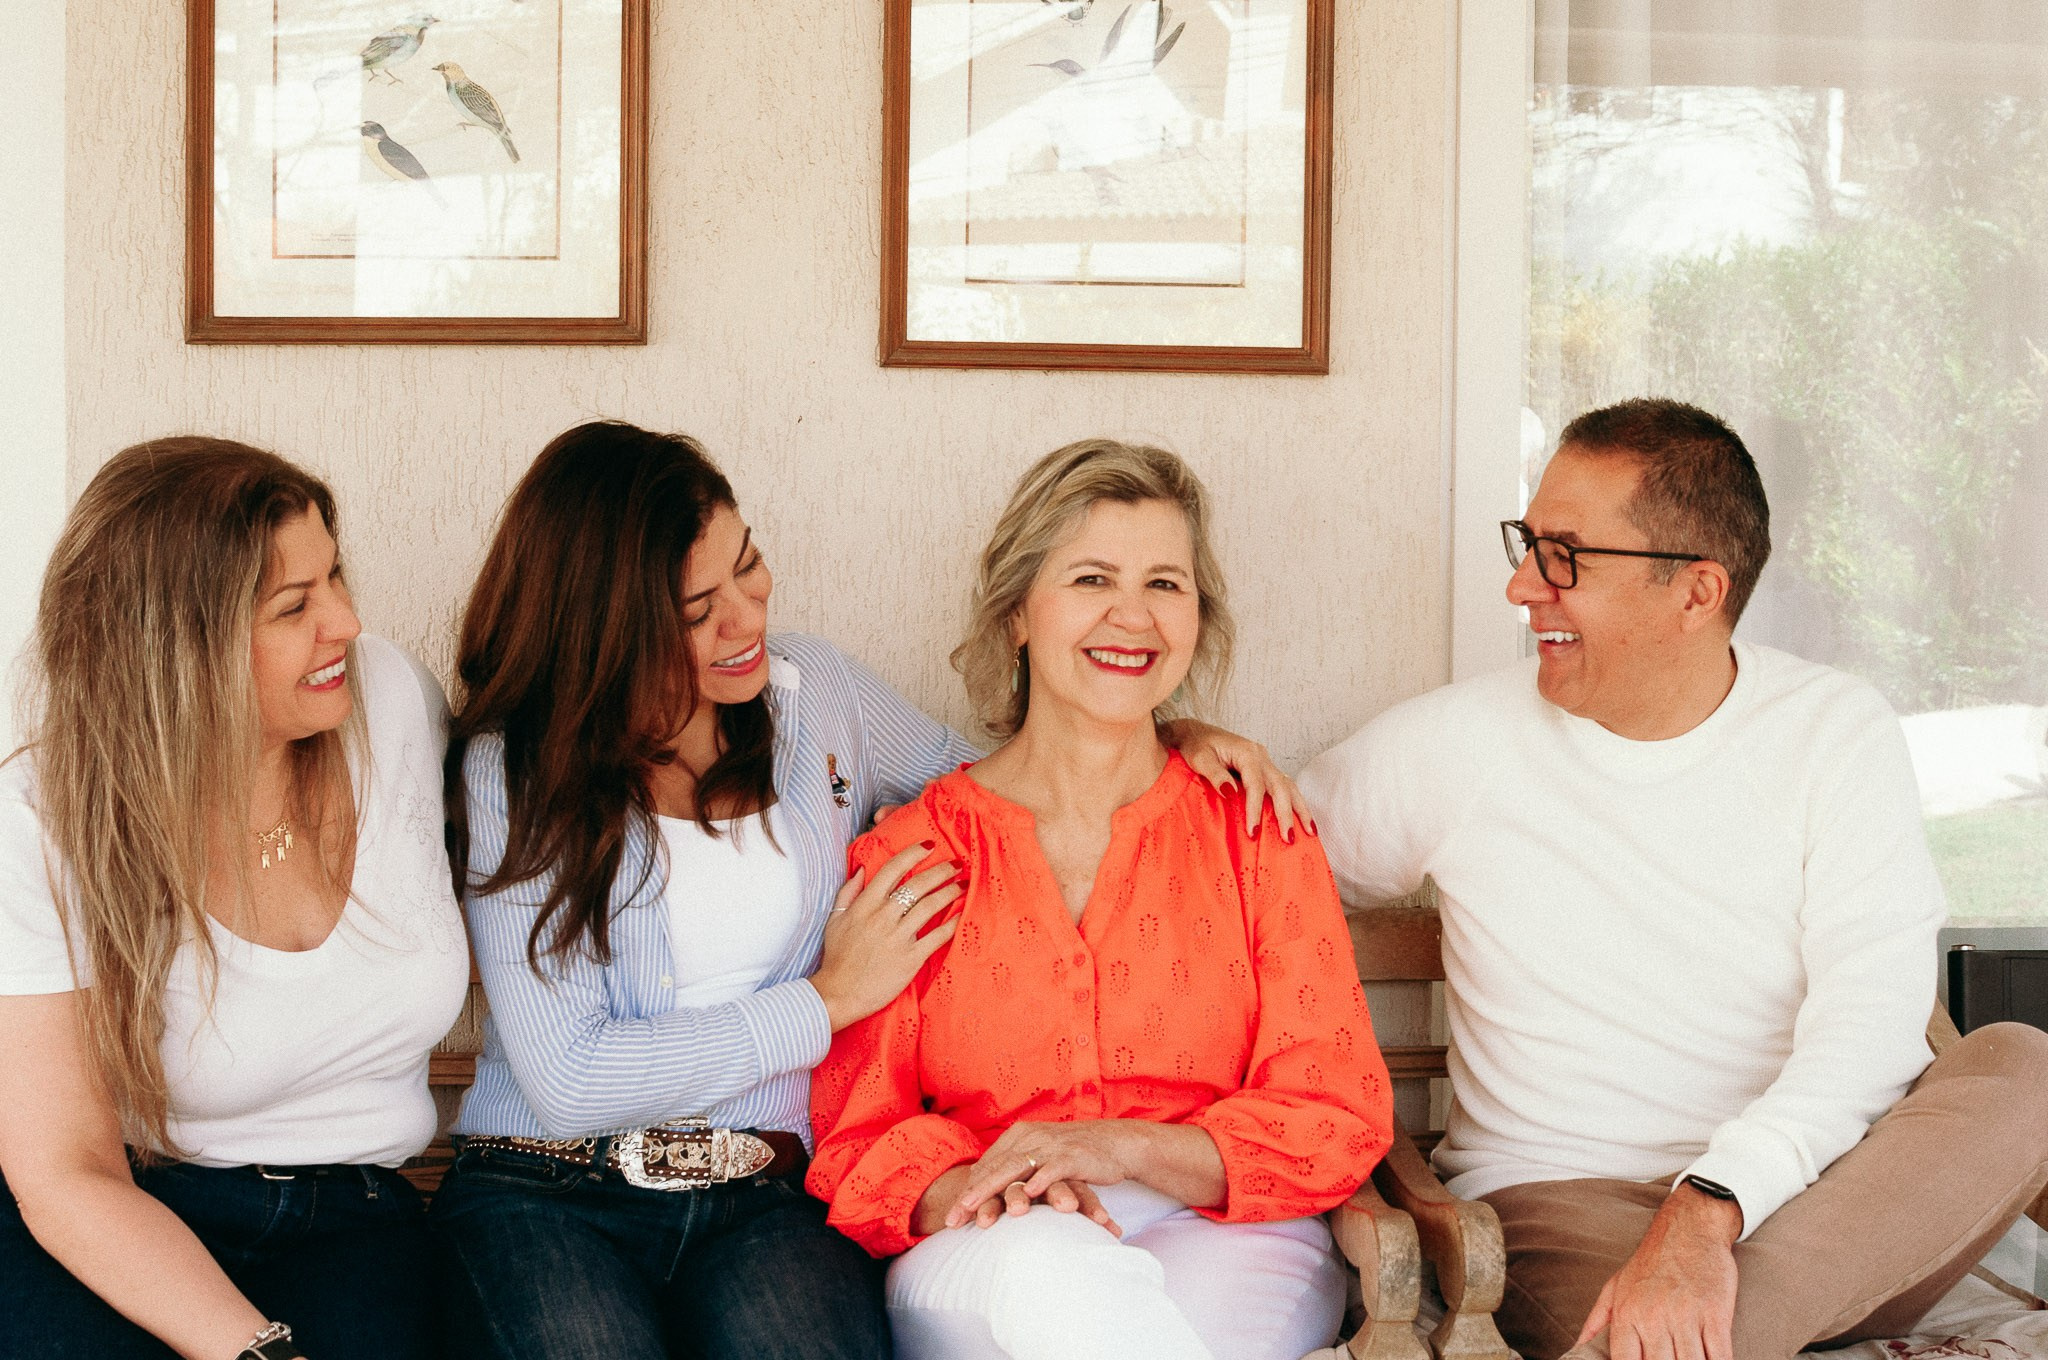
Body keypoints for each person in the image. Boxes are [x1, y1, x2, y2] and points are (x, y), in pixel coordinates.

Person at [429, 421, 1302, 1360]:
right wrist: (826, 1001)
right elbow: (568, 1080)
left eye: (749, 565)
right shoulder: (517, 773)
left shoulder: (818, 698)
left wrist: (1169, 736)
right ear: (606, 627)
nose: (746, 616)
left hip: (761, 1196)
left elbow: (1008, 784)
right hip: (547, 1192)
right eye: (695, 609)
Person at [1300, 398, 2048, 1360]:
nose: (1523, 587)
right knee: (1655, 1322)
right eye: (1527, 544)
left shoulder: (1833, 731)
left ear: (1697, 592)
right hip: (1563, 1213)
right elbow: (1227, 868)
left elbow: (1873, 1021)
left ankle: (1703, 1332)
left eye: (1564, 554)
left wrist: (1710, 1210)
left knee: (2023, 1066)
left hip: (1825, 1208)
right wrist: (1190, 740)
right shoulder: (1452, 746)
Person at [807, 437, 1394, 1360]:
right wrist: (984, 1186)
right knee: (1055, 1275)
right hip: (992, 1236)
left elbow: (1332, 1108)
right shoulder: (918, 850)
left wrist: (1115, 1148)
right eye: (1091, 579)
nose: (1134, 617)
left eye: (1167, 585)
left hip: (1232, 1231)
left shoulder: (1256, 832)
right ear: (1016, 618)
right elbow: (857, 1135)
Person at [0, 439, 471, 1360]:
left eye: (334, 576)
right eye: (293, 607)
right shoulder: (44, 820)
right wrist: (258, 1353)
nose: (345, 621)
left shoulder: (395, 705)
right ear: (174, 651)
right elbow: (64, 1171)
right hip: (126, 1218)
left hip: (359, 1216)